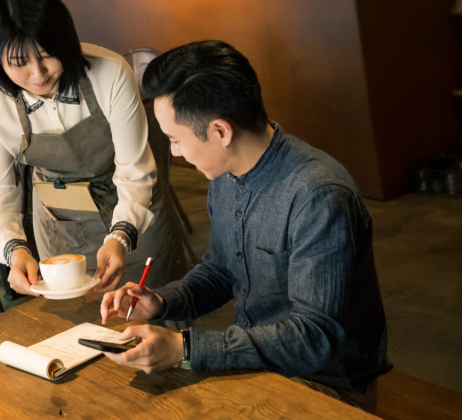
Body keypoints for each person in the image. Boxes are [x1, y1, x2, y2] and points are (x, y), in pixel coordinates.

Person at [99, 40, 391, 413]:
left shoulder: (318, 194)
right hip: (254, 365)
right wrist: (161, 303)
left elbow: (315, 337)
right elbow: (222, 270)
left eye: (175, 139)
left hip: (325, 384)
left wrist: (186, 348)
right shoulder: (225, 174)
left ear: (221, 131)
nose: (174, 152)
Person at [0, 0, 184, 296]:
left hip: (134, 209)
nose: (38, 74)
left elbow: (134, 169)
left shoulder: (110, 73)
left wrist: (121, 237)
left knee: (156, 309)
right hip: (61, 223)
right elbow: (0, 194)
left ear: (66, 41)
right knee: (76, 329)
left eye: (47, 55)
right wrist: (14, 250)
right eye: (19, 63)